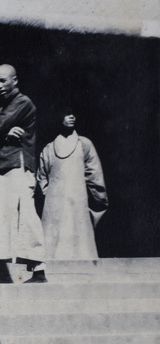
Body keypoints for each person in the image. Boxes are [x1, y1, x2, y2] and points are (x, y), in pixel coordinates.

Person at [0, 64, 47, 283]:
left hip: (16, 165)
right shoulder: (3, 106)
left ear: (14, 81)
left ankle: (38, 269)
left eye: (3, 81)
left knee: (23, 215)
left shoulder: (22, 103)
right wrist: (3, 132)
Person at [37, 109, 109, 259]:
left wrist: (98, 204)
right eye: (66, 113)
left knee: (81, 248)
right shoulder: (48, 149)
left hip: (78, 204)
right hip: (54, 209)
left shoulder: (84, 144)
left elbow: (95, 178)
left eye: (74, 113)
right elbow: (42, 177)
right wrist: (51, 196)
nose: (71, 117)